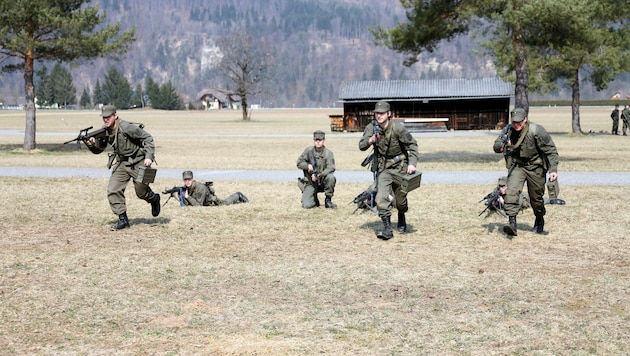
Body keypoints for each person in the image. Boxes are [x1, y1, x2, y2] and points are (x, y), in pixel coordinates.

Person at [83, 105, 161, 231]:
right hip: (122, 163)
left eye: (108, 117)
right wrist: (91, 144)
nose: (106, 120)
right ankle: (123, 219)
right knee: (113, 189)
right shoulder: (105, 130)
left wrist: (149, 156)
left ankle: (154, 199)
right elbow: (99, 150)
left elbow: (148, 138)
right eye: (104, 117)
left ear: (115, 115)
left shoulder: (126, 127)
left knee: (141, 192)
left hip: (139, 161)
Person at [493, 107, 559, 236]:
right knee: (511, 191)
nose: (516, 125)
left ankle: (539, 218)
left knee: (536, 198)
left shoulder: (536, 130)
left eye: (519, 122)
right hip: (518, 166)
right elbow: (496, 145)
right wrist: (502, 145)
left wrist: (553, 169)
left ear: (525, 120)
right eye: (514, 122)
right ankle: (512, 223)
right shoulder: (508, 130)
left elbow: (551, 150)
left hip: (536, 168)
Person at [359, 101, 420, 240]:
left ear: (389, 114)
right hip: (384, 168)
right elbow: (361, 145)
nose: (378, 116)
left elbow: (413, 145)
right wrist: (370, 140)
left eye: (381, 113)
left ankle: (401, 214)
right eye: (376, 113)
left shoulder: (398, 128)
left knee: (401, 201)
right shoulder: (372, 128)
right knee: (381, 198)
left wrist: (412, 164)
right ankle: (387, 229)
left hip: (400, 168)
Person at [296, 130, 337, 209]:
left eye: (320, 140)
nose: (318, 142)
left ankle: (328, 200)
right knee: (307, 205)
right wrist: (308, 166)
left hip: (322, 181)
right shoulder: (308, 151)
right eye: (316, 140)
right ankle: (313, 197)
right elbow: (299, 163)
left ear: (324, 140)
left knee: (331, 177)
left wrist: (319, 175)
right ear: (313, 140)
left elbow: (331, 168)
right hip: (310, 183)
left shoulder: (328, 153)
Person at [178, 170, 248, 206]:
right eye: (185, 180)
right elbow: (188, 204)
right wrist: (179, 195)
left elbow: (198, 206)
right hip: (203, 202)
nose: (187, 182)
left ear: (192, 178)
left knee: (225, 203)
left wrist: (187, 197)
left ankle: (238, 195)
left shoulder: (200, 188)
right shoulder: (186, 188)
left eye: (189, 179)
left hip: (212, 201)